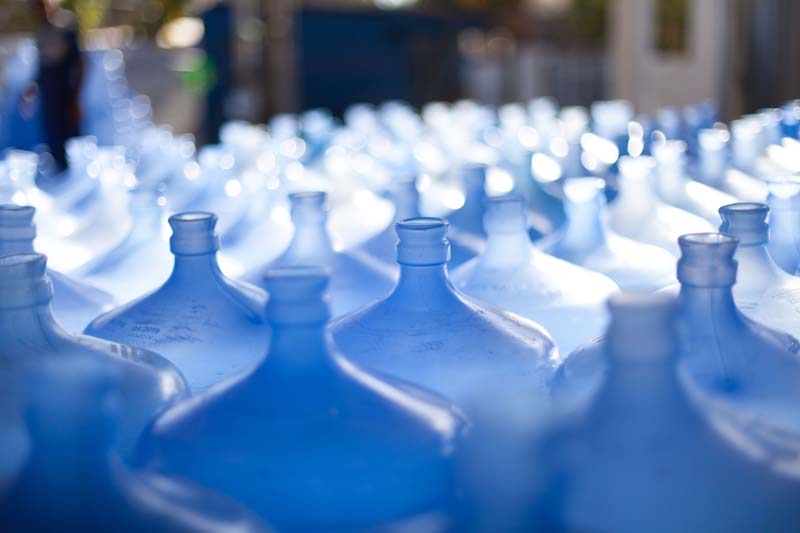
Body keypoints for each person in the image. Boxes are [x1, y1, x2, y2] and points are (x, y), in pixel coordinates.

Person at [25, 0, 83, 171]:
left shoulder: (64, 27)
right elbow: (43, 66)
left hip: (63, 90)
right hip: (48, 90)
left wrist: (75, 96)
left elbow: (79, 63)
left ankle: (70, 172)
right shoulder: (41, 32)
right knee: (51, 134)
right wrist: (32, 87)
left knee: (67, 133)